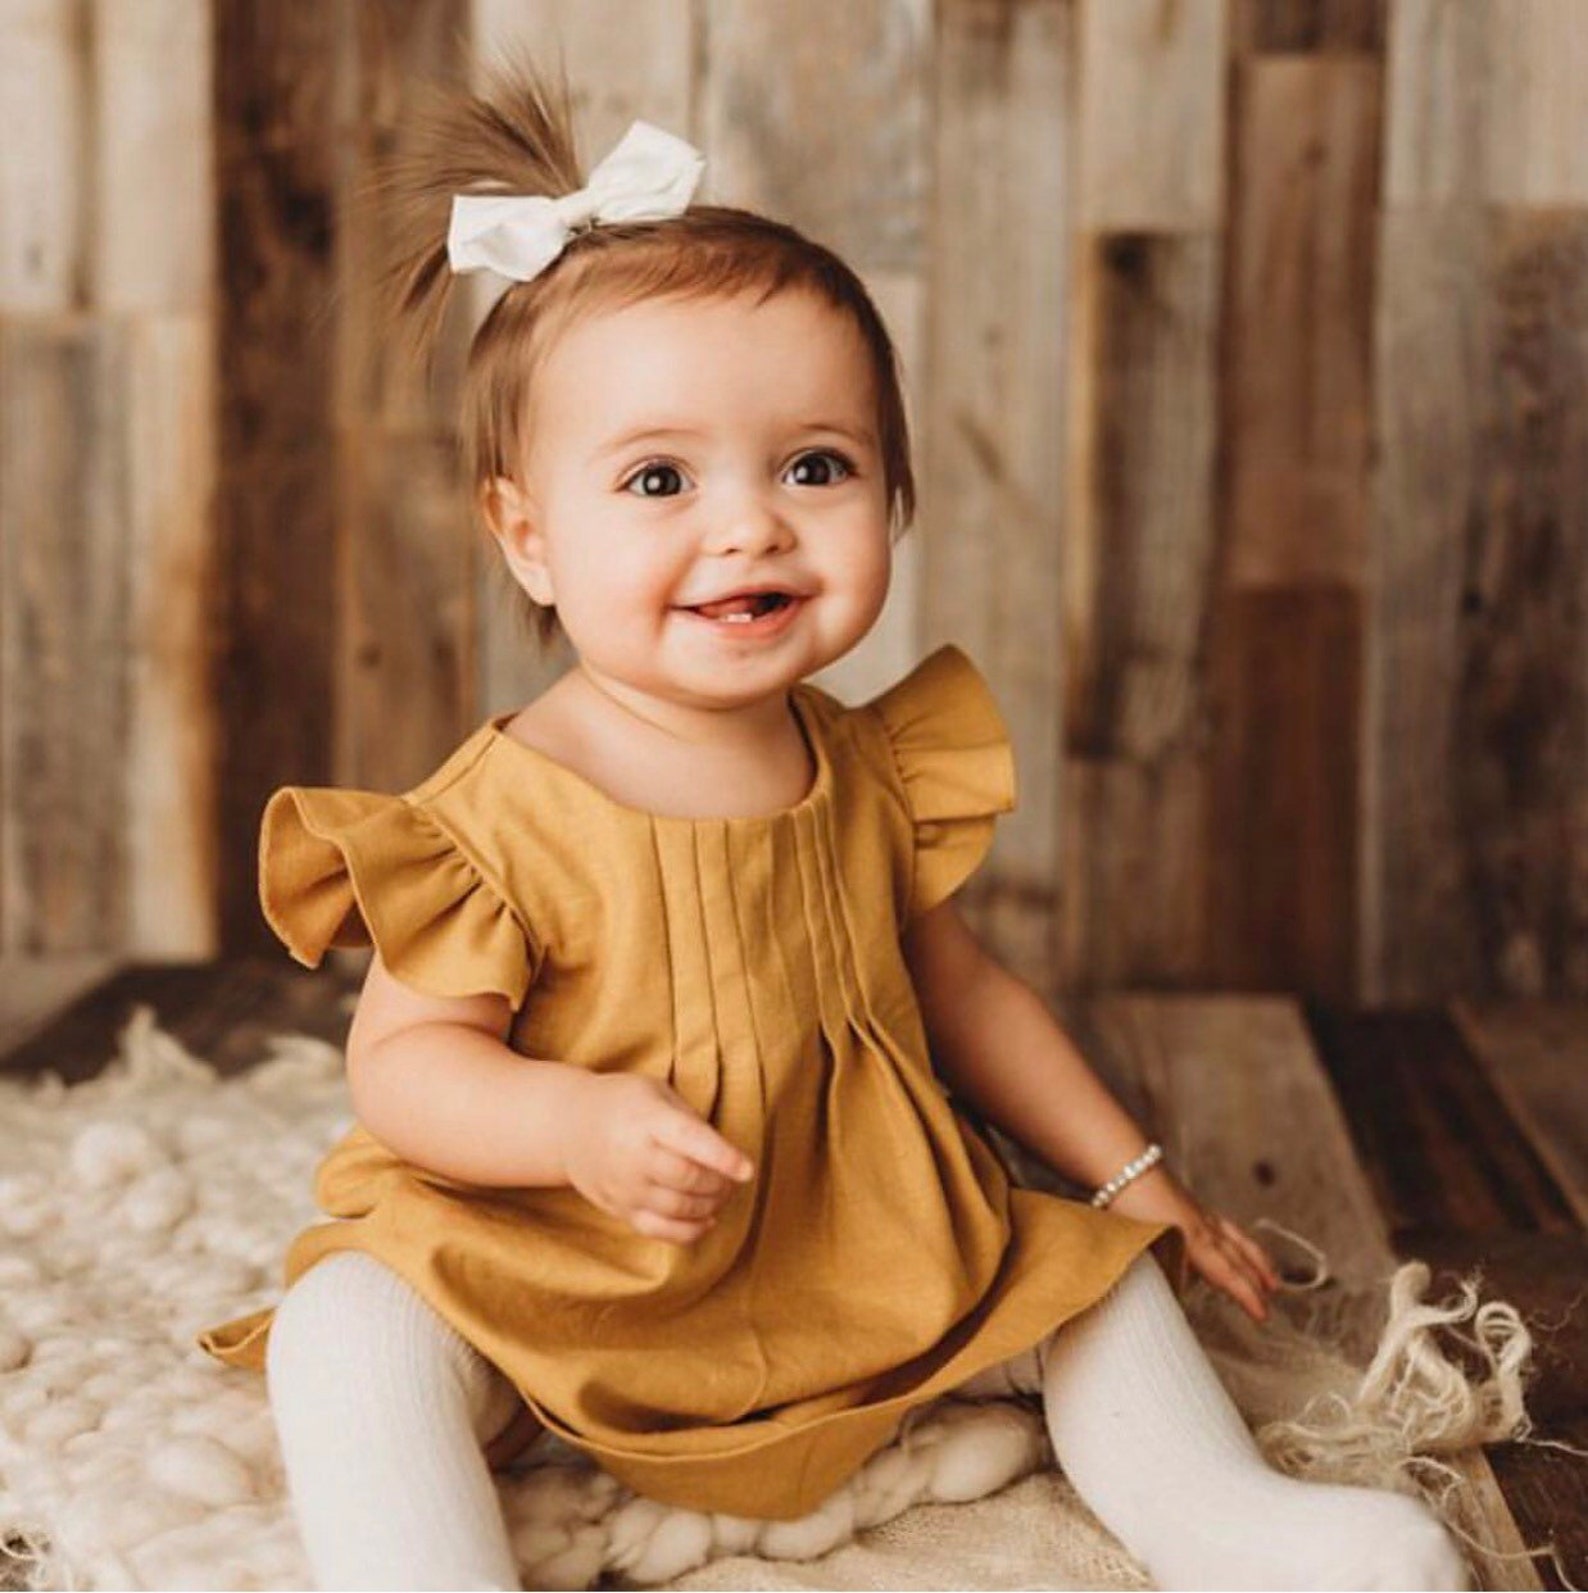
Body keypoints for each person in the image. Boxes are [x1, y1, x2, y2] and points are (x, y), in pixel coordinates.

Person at [197, 57, 1469, 1593]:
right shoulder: (493, 818)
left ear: (894, 492)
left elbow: (964, 992)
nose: (750, 523)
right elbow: (403, 1067)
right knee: (351, 1326)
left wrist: (1135, 1178)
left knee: (1092, 1279)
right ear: (528, 535)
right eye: (658, 477)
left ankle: (1228, 1520)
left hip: (846, 1231)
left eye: (816, 465)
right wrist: (571, 1124)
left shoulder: (864, 764)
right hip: (564, 1260)